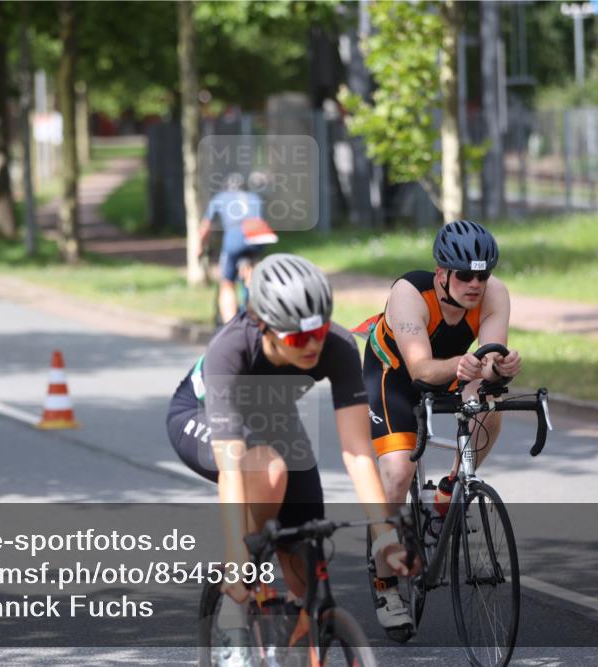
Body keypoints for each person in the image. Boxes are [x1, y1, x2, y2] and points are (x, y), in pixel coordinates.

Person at [167, 253, 416, 664]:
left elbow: (358, 451)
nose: (313, 345)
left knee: (305, 546)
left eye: (318, 332)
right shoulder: (231, 348)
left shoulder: (337, 346)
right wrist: (237, 552)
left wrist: (385, 536)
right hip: (199, 416)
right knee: (268, 471)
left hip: (275, 419)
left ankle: (297, 645)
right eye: (299, 340)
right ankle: (233, 611)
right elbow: (231, 468)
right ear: (263, 325)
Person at [353, 220, 522, 639]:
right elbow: (421, 370)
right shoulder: (409, 294)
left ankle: (448, 489)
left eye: (483, 275)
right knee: (398, 472)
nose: (475, 284)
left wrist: (501, 369)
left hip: (452, 368)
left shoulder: (495, 294)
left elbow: (487, 365)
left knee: (488, 405)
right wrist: (469, 367)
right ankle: (385, 584)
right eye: (464, 275)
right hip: (395, 374)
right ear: (442, 273)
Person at [199, 172, 278, 325]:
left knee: (227, 283)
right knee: (254, 277)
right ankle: (258, 317)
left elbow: (205, 227)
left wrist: (199, 247)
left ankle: (231, 327)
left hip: (235, 238)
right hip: (258, 236)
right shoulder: (254, 197)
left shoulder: (220, 198)